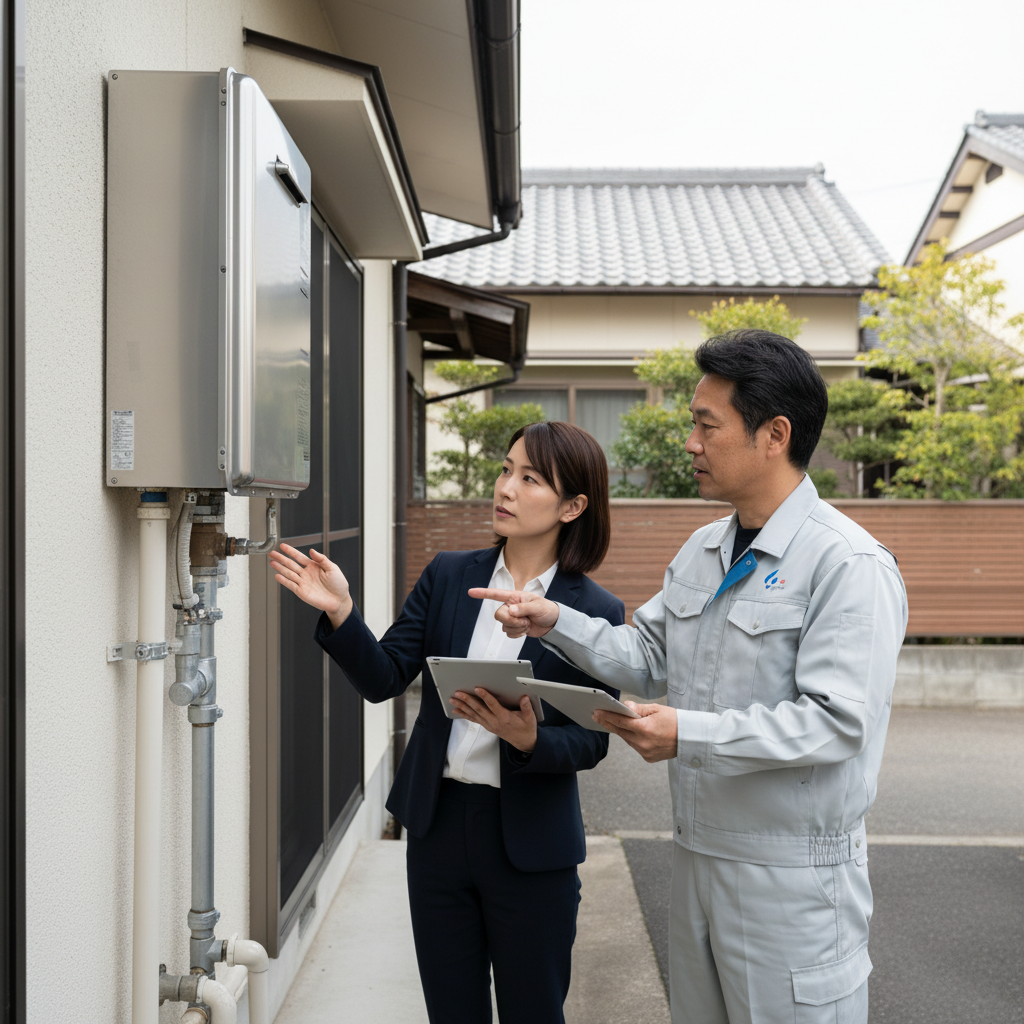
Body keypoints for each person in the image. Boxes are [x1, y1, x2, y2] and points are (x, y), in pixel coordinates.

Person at [473, 330, 908, 1024]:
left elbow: (837, 722)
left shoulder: (847, 563)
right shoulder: (705, 549)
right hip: (698, 855)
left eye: (708, 425)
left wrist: (687, 734)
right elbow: (646, 658)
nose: (690, 443)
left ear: (774, 434)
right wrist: (554, 620)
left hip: (792, 877)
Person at [268, 421, 624, 1024]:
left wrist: (529, 738)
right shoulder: (451, 575)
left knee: (533, 1012)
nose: (505, 487)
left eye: (529, 478)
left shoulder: (593, 611)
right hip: (438, 832)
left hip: (531, 845)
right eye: (506, 469)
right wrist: (342, 615)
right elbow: (384, 678)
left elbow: (592, 738)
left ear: (573, 506)